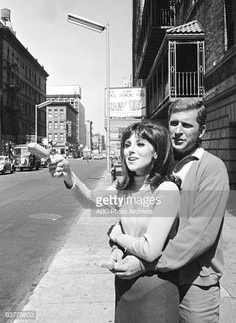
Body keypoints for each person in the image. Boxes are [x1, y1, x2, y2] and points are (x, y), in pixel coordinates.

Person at [48, 121, 181, 322]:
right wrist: (68, 174)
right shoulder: (124, 189)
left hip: (156, 288)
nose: (131, 151)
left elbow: (150, 250)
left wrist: (118, 236)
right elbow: (91, 202)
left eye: (140, 144)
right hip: (125, 284)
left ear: (157, 152)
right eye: (127, 145)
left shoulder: (167, 190)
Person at [111, 98, 230, 323]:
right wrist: (118, 240)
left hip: (194, 283)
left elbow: (199, 234)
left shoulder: (212, 169)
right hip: (160, 281)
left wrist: (146, 262)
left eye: (187, 125)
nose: (177, 131)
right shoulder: (162, 165)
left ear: (202, 130)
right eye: (174, 123)